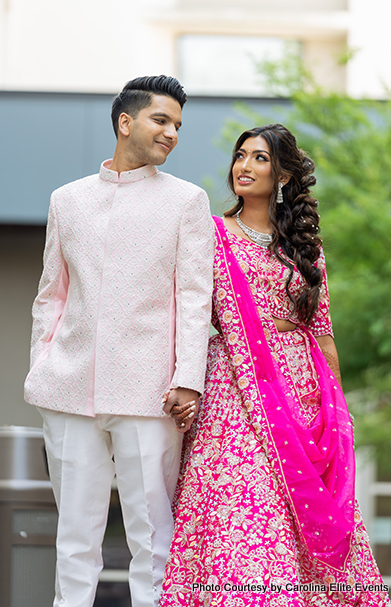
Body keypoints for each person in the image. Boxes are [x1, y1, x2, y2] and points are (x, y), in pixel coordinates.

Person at [160, 124, 391, 606]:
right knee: (240, 505)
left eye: (259, 158)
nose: (243, 166)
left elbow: (322, 329)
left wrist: (337, 415)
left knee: (300, 509)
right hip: (234, 390)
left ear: (282, 173)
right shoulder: (212, 234)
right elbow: (188, 312)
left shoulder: (304, 246)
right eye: (240, 156)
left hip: (300, 389)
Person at [24, 75, 214, 607]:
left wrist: (188, 379)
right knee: (74, 539)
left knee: (153, 539)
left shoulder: (186, 201)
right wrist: (42, 366)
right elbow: (51, 296)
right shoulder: (67, 200)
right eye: (162, 119)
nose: (172, 132)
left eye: (177, 124)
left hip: (150, 392)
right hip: (66, 391)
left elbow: (194, 299)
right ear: (125, 122)